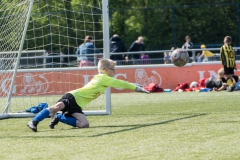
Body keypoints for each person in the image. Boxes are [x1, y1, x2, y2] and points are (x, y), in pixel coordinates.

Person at [27, 59, 150, 132]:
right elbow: (121, 83)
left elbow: (120, 83)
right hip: (73, 97)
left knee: (84, 124)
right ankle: (33, 121)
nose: (114, 72)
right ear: (106, 70)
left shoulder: (104, 78)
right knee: (55, 107)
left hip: (77, 105)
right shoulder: (103, 78)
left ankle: (59, 117)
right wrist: (137, 88)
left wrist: (135, 86)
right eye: (113, 69)